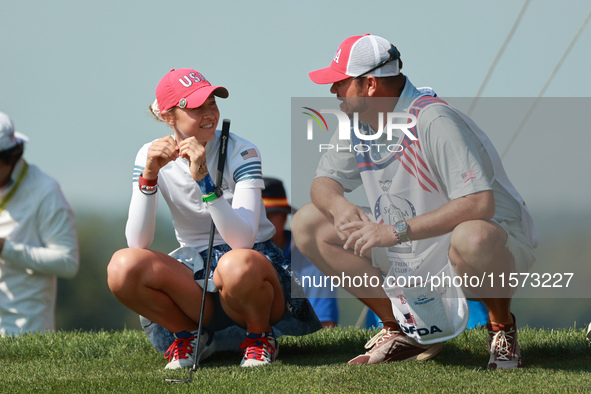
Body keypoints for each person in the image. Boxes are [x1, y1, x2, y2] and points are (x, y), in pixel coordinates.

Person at [291, 34, 537, 370]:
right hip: (414, 244)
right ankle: (401, 329)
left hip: (491, 246)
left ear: (371, 85)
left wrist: (394, 232)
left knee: (473, 236)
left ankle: (501, 328)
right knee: (308, 223)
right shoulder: (356, 121)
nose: (333, 92)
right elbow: (322, 184)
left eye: (341, 83)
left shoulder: (434, 119)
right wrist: (339, 206)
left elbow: (480, 203)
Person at [107, 69, 320, 370]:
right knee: (121, 266)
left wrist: (205, 182)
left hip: (253, 271)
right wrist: (150, 176)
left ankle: (260, 337)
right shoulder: (149, 154)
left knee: (236, 263)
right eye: (196, 107)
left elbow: (243, 241)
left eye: (212, 103)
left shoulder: (241, 150)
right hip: (195, 273)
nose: (209, 114)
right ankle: (191, 336)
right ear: (169, 117)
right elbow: (137, 243)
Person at [0, 112, 79, 336]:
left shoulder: (45, 191)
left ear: (10, 157)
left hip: (25, 332)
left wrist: (5, 249)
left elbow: (68, 262)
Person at [262, 177, 339, 328]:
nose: (260, 223)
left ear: (284, 217)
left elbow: (324, 325)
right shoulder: (232, 257)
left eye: (267, 215)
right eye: (254, 217)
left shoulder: (313, 256)